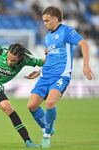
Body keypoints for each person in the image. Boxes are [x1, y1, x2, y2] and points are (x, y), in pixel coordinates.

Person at [26, 6, 94, 148]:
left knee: (50, 103)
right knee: (31, 105)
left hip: (61, 75)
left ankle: (46, 135)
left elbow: (84, 45)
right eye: (43, 21)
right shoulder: (48, 37)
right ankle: (48, 128)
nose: (44, 24)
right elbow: (51, 57)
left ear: (55, 19)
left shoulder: (67, 31)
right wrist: (39, 71)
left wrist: (86, 65)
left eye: (47, 21)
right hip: (45, 75)